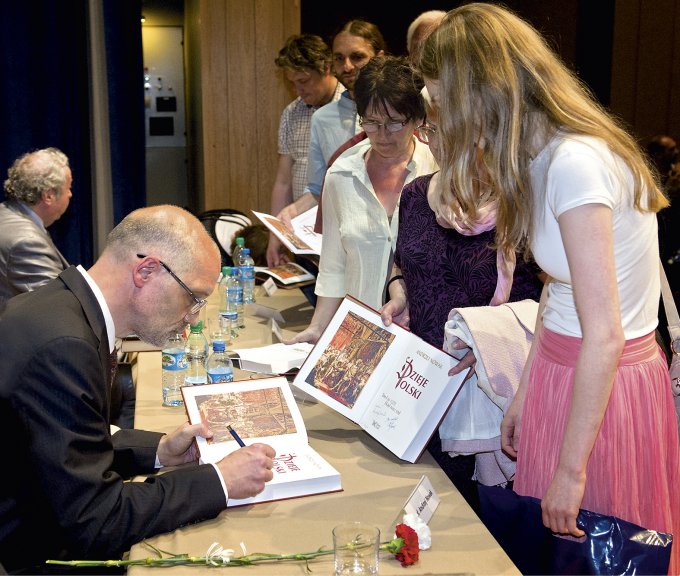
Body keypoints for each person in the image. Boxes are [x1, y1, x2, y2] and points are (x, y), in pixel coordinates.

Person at [420, 4, 679, 573]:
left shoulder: (575, 163)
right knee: (551, 556)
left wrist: (571, 468)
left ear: (480, 93)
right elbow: (559, 294)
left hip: (604, 390)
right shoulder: (539, 158)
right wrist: (526, 391)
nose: (442, 118)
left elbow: (607, 335)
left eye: (444, 101)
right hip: (565, 373)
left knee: (601, 554)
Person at [0, 205, 275, 572]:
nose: (193, 317)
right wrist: (220, 481)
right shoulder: (66, 345)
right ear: (146, 271)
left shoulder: (61, 306)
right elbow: (96, 521)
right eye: (193, 298)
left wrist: (160, 450)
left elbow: (59, 444)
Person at [380, 90, 542, 510]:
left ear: (480, 133)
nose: (433, 141)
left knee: (491, 520)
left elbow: (557, 302)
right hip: (424, 383)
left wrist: (488, 337)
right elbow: (404, 263)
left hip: (493, 391)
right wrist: (399, 292)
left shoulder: (522, 200)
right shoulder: (416, 195)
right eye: (429, 130)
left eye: (443, 129)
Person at [289, 55, 438, 345]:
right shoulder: (341, 174)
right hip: (361, 334)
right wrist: (318, 328)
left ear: (419, 118)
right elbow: (333, 267)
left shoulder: (437, 170)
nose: (382, 135)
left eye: (395, 123)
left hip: (424, 336)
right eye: (371, 122)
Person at [266, 19, 386, 266]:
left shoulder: (397, 108)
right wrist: (283, 220)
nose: (348, 66)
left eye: (357, 57)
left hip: (384, 237)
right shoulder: (322, 117)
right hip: (325, 237)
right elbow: (314, 186)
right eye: (340, 58)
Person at [266, 34, 344, 267]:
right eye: (292, 83)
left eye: (304, 80)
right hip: (301, 236)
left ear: (327, 68)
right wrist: (276, 235)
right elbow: (283, 181)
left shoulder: (352, 109)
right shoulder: (292, 112)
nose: (298, 89)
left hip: (338, 237)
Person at [0, 147, 72, 314]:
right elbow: (56, 308)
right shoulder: (27, 241)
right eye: (68, 187)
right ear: (48, 196)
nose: (70, 194)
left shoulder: (6, 213)